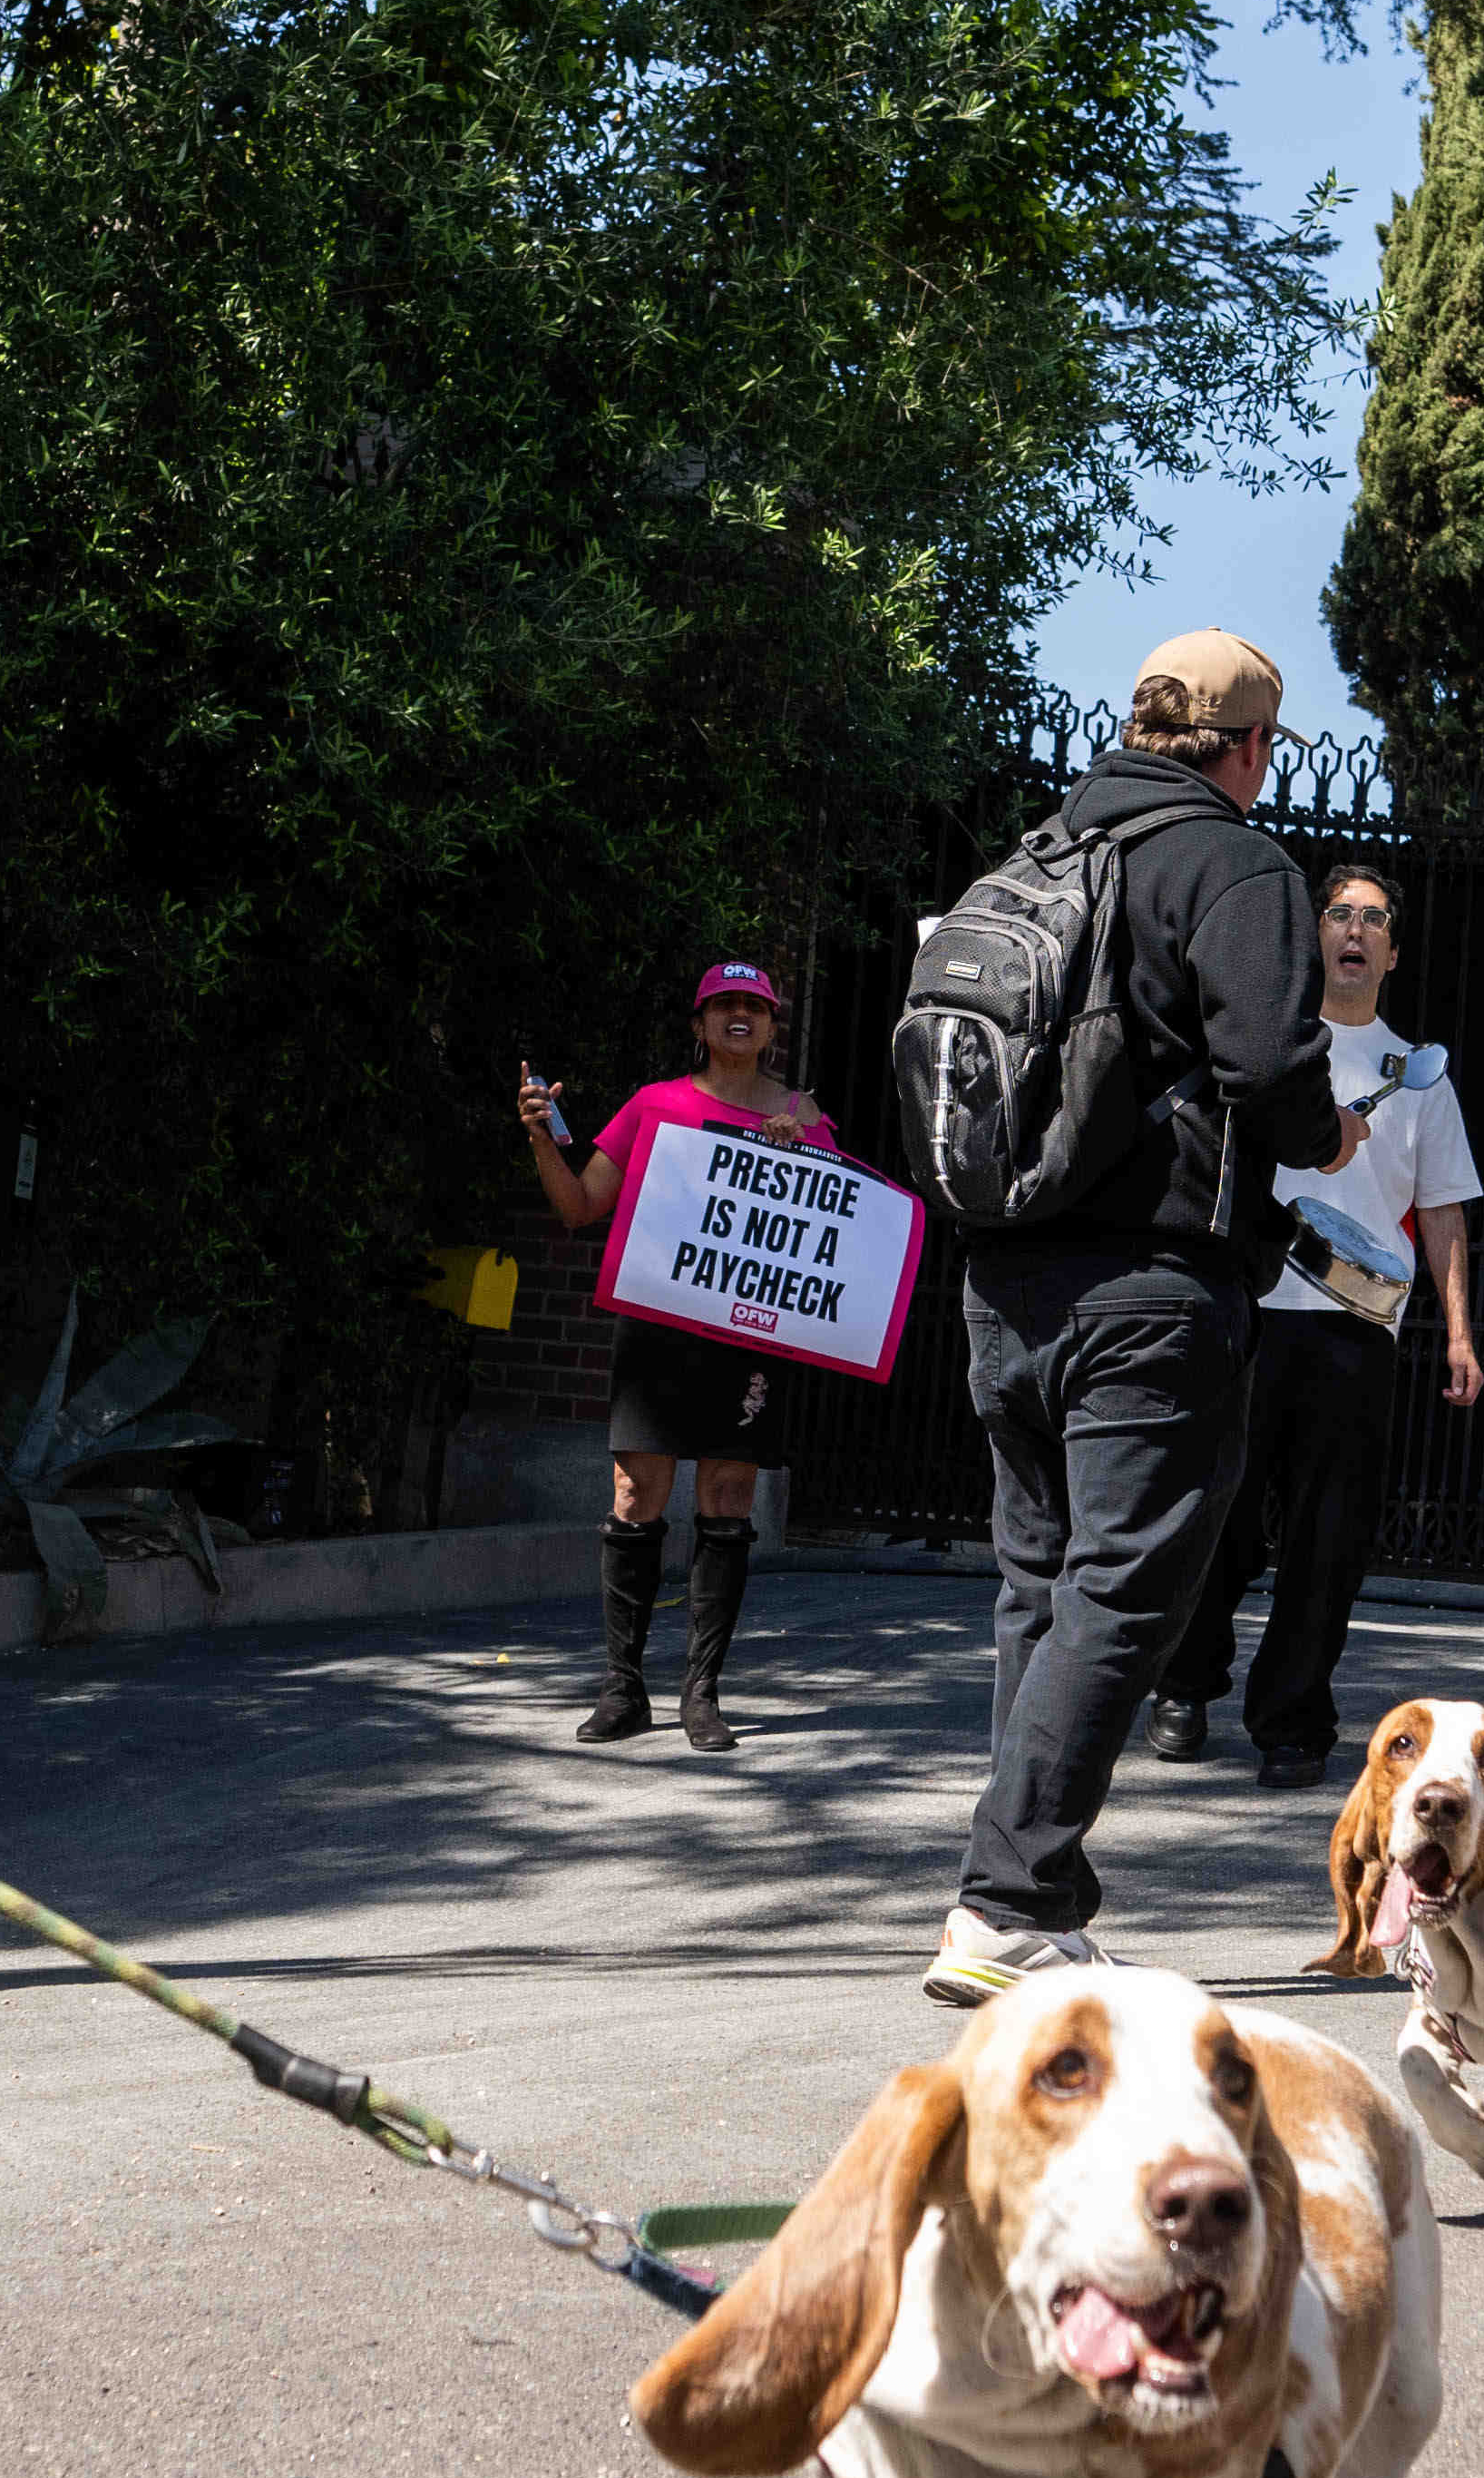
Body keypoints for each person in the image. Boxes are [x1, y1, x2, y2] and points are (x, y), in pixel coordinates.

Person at [923, 632, 1352, 2008]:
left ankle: (1026, 1898)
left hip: (1003, 1270)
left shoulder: (1038, 851)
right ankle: (1008, 1894)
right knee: (1127, 1586)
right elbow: (1272, 1061)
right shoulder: (1233, 860)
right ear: (1249, 747)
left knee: (1039, 1585)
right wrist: (1329, 1135)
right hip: (1148, 1289)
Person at [1152, 862, 1483, 1783]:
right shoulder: (1269, 1049)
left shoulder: (1418, 1077)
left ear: (1391, 952)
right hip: (1248, 1309)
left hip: (1354, 1332)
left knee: (1325, 1539)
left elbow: (1446, 1210)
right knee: (1213, 1516)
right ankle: (1182, 1683)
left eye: (1374, 917)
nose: (1354, 927)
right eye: (1339, 911)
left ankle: (1292, 1717)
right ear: (1314, 934)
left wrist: (1457, 1334)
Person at [515, 963, 845, 1752]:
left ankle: (703, 1694)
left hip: (748, 1334)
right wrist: (539, 1136)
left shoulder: (806, 1115)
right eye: (723, 1005)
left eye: (754, 1006)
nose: (739, 1015)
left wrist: (806, 1159)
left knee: (728, 1493)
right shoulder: (652, 1105)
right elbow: (579, 1206)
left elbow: (829, 1230)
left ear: (772, 1027)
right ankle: (623, 1688)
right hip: (657, 1328)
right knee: (637, 1491)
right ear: (698, 1025)